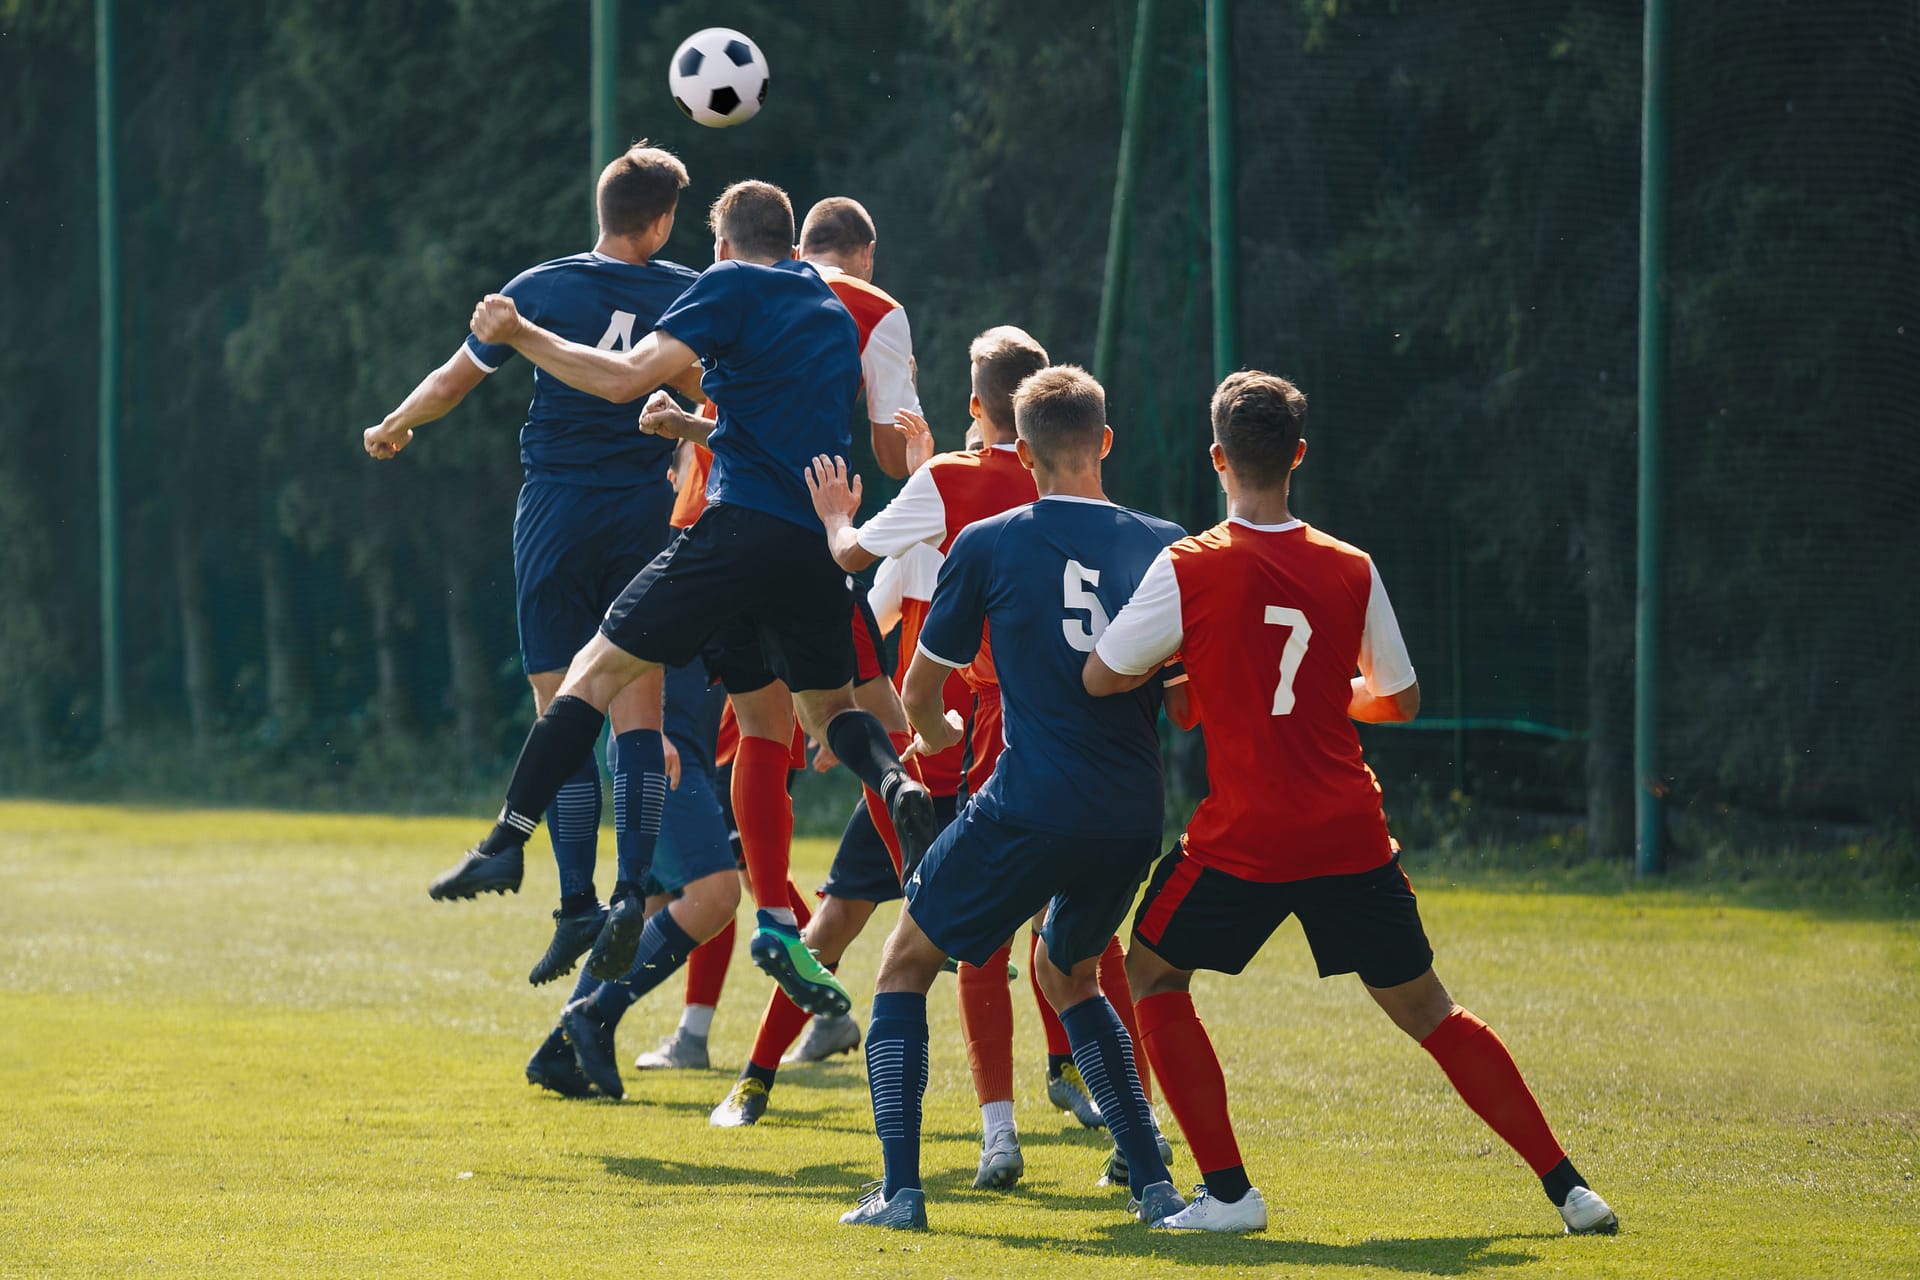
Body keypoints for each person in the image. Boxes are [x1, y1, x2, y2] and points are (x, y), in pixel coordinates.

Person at [1084, 370, 1619, 1236]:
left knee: (1149, 972)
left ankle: (1227, 1195)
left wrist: (1193, 672)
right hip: (1347, 829)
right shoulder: (1351, 566)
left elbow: (1103, 673)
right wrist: (1329, 696)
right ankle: (1571, 1191)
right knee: (1432, 1013)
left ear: (1217, 459)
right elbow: (1399, 700)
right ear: (1297, 456)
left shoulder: (1187, 565)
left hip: (1248, 835)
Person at [447, 179, 936, 1022]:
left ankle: (507, 842)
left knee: (592, 672)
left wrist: (520, 332)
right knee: (820, 714)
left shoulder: (727, 284)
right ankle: (894, 787)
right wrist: (689, 429)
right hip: (810, 545)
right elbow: (772, 431)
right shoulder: (825, 310)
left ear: (719, 243)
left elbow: (622, 378)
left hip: (731, 534)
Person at [834, 365, 1188, 1231]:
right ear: (1105, 442)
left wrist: (942, 735)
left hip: (1031, 797)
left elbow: (919, 692)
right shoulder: (1168, 543)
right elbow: (1185, 702)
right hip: (1134, 810)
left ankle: (901, 1192)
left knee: (905, 960)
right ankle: (1153, 1185)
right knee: (1066, 969)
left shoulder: (989, 541)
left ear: (1020, 451)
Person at [707, 331, 1050, 1191]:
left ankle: (755, 1081)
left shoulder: (946, 494)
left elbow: (864, 587)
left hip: (933, 763)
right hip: (998, 758)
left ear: (976, 408)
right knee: (1028, 941)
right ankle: (1036, 1117)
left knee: (838, 932)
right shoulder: (1051, 497)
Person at [366, 143, 702, 987]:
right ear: (661, 222)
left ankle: (577, 902)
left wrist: (396, 423)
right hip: (640, 516)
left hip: (554, 513)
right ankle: (630, 897)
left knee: (560, 711)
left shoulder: (539, 288)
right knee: (639, 715)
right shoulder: (688, 293)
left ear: (602, 208)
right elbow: (715, 397)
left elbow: (451, 381)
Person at [524, 659, 741, 1100]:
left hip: (683, 752)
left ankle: (559, 1052)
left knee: (649, 912)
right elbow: (632, 636)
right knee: (715, 896)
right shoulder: (661, 585)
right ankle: (596, 1014)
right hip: (660, 749)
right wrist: (649, 733)